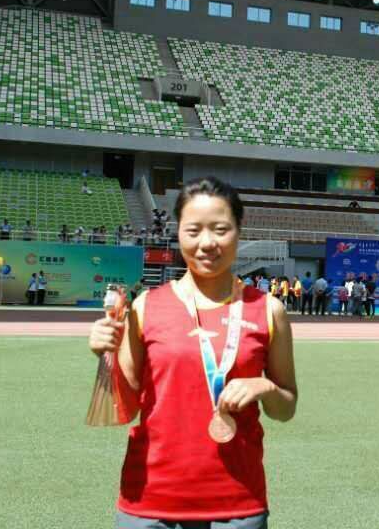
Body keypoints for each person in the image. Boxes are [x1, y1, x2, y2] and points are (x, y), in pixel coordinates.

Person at [87, 176, 297, 528]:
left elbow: (285, 409)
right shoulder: (146, 306)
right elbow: (124, 409)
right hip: (150, 501)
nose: (207, 243)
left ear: (239, 231)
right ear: (178, 233)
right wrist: (105, 356)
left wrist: (266, 387)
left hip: (236, 503)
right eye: (193, 230)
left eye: (220, 229)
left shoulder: (268, 310)